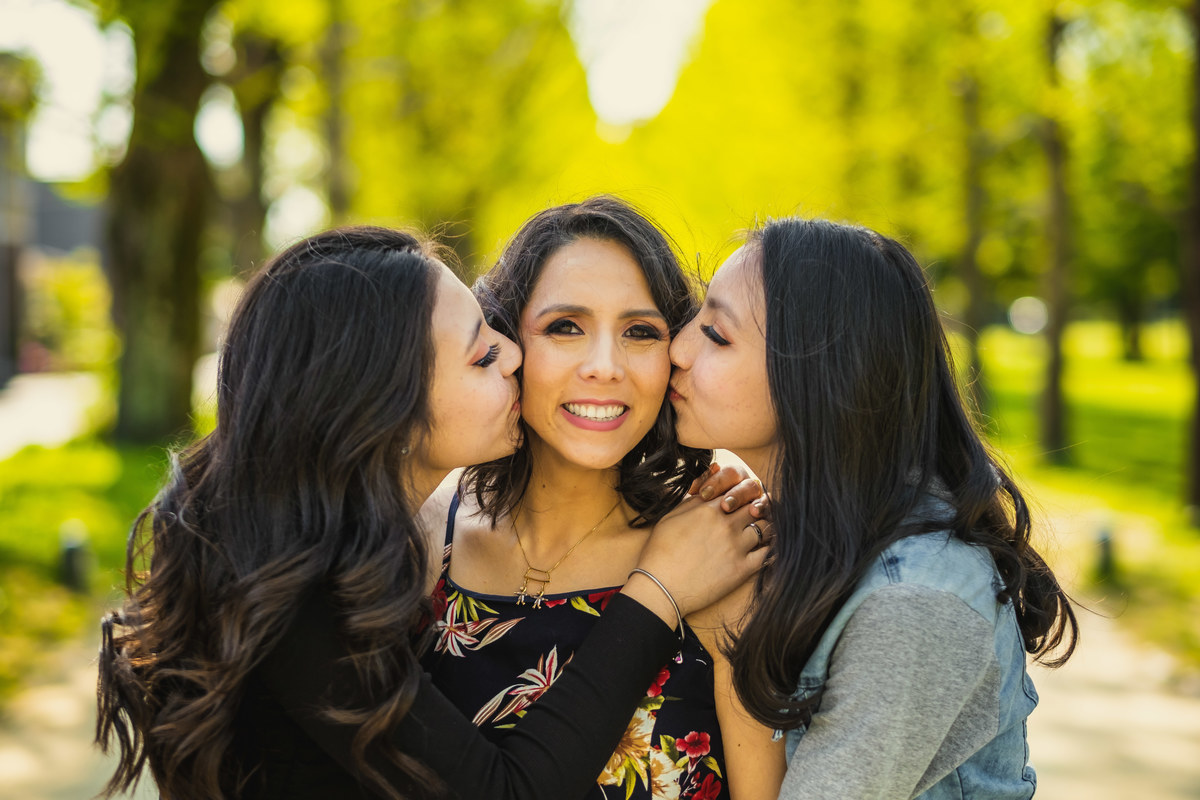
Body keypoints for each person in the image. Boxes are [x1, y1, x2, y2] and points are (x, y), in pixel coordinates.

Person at [94, 226, 767, 800]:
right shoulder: (304, 592)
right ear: (386, 403)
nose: (511, 354)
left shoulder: (358, 551)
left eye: (642, 332)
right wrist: (658, 592)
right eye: (482, 352)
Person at [667, 217, 1079, 799]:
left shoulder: (912, 599)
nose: (677, 349)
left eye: (716, 335)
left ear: (819, 373)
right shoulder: (807, 532)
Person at [419, 196, 782, 800]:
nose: (605, 367)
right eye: (566, 327)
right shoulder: (433, 539)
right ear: (506, 340)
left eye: (640, 332)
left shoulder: (722, 554)